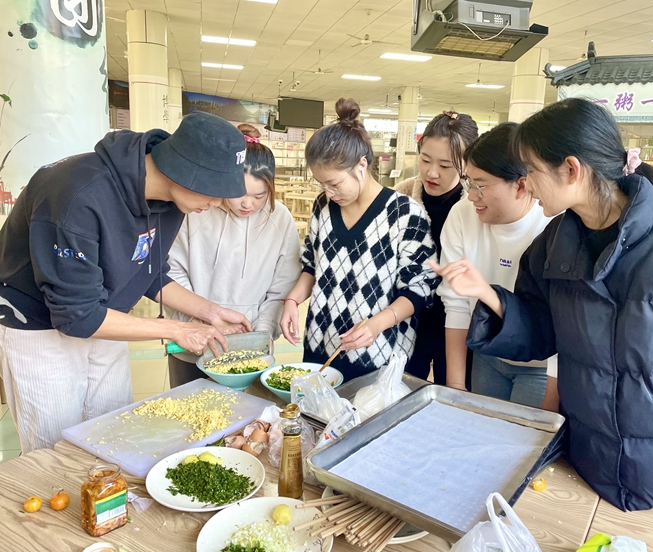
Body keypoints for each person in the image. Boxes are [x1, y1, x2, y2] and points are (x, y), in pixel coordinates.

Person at [433, 98, 653, 510]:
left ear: (571, 170)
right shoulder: (553, 244)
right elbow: (541, 333)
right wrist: (487, 295)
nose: (527, 184)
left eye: (531, 171)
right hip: (592, 461)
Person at [0, 111, 253, 452]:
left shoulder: (174, 200)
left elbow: (148, 271)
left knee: (113, 430)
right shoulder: (77, 193)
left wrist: (209, 311)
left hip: (106, 315)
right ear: (183, 172)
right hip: (39, 324)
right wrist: (177, 329)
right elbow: (76, 315)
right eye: (214, 192)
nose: (216, 203)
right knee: (55, 446)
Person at [279, 98, 438, 382]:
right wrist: (292, 300)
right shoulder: (323, 207)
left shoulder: (404, 213)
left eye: (334, 183)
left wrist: (377, 324)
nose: (329, 193)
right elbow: (312, 266)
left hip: (379, 355)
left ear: (361, 165)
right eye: (321, 184)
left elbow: (419, 289)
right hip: (321, 345)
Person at [166, 124, 301, 387]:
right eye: (238, 194)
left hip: (251, 349)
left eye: (259, 196)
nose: (247, 204)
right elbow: (171, 271)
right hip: (194, 344)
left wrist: (262, 333)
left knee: (250, 412)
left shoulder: (280, 218)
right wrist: (196, 320)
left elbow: (282, 286)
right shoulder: (197, 210)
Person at [436, 123, 553, 406]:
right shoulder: (462, 215)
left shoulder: (551, 224)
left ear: (521, 185)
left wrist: (552, 404)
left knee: (521, 434)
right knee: (481, 426)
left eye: (481, 185)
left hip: (541, 366)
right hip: (488, 352)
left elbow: (561, 322)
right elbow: (456, 304)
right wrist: (455, 386)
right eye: (468, 182)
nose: (471, 196)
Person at [394, 111, 478, 386]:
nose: (432, 172)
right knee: (400, 393)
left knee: (453, 394)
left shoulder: (476, 205)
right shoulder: (400, 198)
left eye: (445, 165)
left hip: (459, 324)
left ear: (466, 165)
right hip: (408, 319)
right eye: (425, 160)